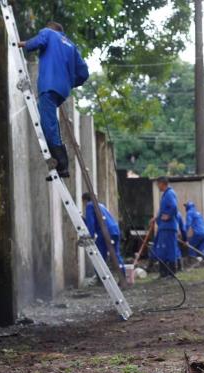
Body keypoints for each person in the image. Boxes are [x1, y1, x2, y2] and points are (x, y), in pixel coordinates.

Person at [18, 22, 89, 178]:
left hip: (48, 85)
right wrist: (69, 81)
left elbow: (38, 41)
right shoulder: (71, 45)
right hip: (62, 91)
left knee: (47, 125)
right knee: (48, 119)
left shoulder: (48, 33)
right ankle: (59, 161)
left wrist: (21, 44)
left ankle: (62, 165)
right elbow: (83, 73)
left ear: (50, 28)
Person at [81, 193, 125, 276]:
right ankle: (123, 277)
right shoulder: (100, 205)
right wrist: (83, 220)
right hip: (114, 230)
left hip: (105, 232)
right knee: (116, 255)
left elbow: (91, 223)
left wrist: (90, 236)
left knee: (100, 255)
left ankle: (100, 277)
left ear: (85, 200)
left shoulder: (89, 205)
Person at [152, 177, 179, 277]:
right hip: (164, 227)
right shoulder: (165, 195)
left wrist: (168, 216)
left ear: (162, 183)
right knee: (162, 250)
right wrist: (156, 218)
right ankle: (163, 273)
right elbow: (164, 210)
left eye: (158, 184)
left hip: (169, 227)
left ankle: (172, 273)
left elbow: (174, 206)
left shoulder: (169, 193)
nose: (157, 186)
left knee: (170, 250)